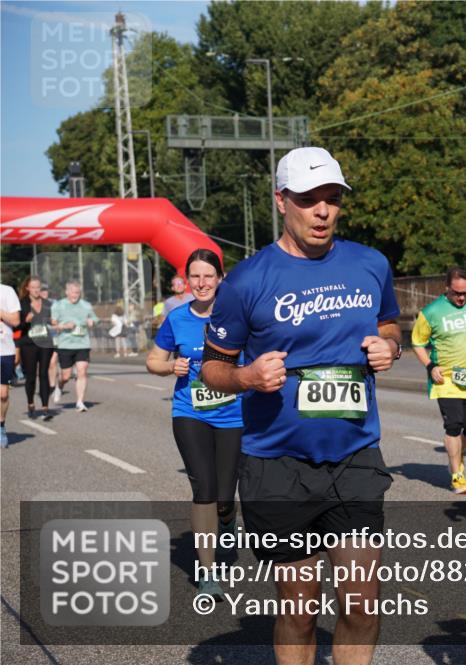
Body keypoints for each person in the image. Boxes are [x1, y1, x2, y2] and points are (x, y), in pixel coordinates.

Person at [201, 146, 402, 665]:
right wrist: (245, 375)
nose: (322, 211)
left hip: (355, 454)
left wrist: (390, 347)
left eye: (332, 199)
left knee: (360, 603)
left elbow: (387, 325)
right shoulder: (247, 280)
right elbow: (211, 368)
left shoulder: (370, 263)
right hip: (277, 464)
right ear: (281, 201)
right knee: (299, 610)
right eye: (309, 199)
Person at [146, 249, 243, 600]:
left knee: (224, 495)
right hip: (190, 413)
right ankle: (207, 571)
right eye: (195, 277)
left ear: (220, 278)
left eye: (208, 276)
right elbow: (153, 360)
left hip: (233, 414)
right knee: (203, 488)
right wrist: (169, 367)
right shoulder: (177, 318)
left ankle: (228, 515)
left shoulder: (238, 317)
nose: (201, 283)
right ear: (188, 282)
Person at [412, 267, 466, 494]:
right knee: (454, 426)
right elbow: (418, 343)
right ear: (446, 288)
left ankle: (457, 455)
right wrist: (430, 366)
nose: (461, 298)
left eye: (465, 293)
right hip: (446, 381)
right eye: (457, 293)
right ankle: (457, 475)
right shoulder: (431, 312)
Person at [50, 281, 98, 412]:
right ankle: (59, 387)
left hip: (82, 343)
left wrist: (91, 321)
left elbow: (95, 319)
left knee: (82, 371)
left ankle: (80, 402)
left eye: (77, 292)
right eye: (72, 292)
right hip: (65, 344)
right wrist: (64, 326)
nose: (75, 295)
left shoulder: (86, 305)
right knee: (66, 376)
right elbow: (53, 325)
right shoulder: (59, 305)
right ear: (67, 292)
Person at [17, 276, 55, 420]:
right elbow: (17, 326)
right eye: (33, 287)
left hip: (45, 342)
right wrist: (25, 321)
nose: (36, 290)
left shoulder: (47, 303)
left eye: (38, 287)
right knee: (31, 376)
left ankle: (45, 408)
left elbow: (51, 320)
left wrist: (53, 321)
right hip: (29, 344)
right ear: (27, 288)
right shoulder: (22, 304)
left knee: (44, 374)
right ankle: (31, 404)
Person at [0, 282, 22, 448]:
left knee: (3, 395)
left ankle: (0, 425)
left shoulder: (7, 292)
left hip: (4, 350)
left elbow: (15, 320)